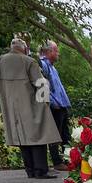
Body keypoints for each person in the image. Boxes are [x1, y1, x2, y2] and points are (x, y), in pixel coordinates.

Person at [0, 37, 61, 179]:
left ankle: (30, 170)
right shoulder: (28, 61)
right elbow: (40, 82)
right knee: (37, 136)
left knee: (22, 137)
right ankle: (41, 170)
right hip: (30, 103)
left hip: (10, 105)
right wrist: (44, 103)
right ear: (24, 48)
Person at [38, 41, 72, 171]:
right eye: (56, 51)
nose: (58, 53)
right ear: (48, 52)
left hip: (61, 105)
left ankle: (68, 159)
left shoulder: (53, 67)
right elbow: (42, 86)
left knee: (65, 135)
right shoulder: (44, 65)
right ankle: (57, 161)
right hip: (55, 107)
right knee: (54, 135)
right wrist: (52, 103)